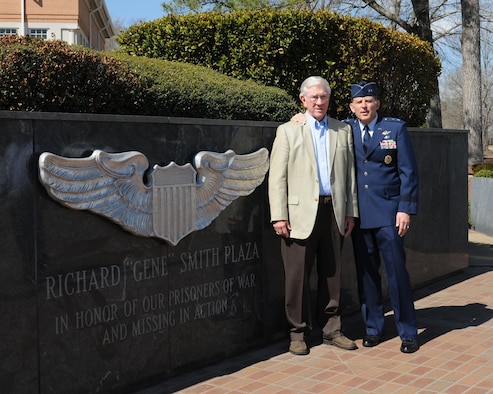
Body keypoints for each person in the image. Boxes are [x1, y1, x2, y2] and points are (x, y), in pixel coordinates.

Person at [269, 76, 359, 356]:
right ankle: (298, 332)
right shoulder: (288, 131)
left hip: (334, 211)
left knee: (332, 274)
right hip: (297, 215)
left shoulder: (342, 130)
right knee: (296, 277)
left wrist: (351, 212)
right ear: (303, 100)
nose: (319, 102)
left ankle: (332, 329)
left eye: (324, 97)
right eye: (314, 97)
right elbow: (277, 177)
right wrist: (278, 216)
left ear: (329, 99)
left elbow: (350, 176)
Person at [345, 81, 420, 353]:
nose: (364, 106)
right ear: (352, 107)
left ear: (377, 103)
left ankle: (408, 331)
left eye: (369, 100)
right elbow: (317, 124)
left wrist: (405, 209)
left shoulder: (395, 128)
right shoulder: (345, 130)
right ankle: (373, 328)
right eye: (359, 102)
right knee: (367, 275)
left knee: (397, 274)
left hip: (390, 213)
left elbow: (408, 172)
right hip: (359, 215)